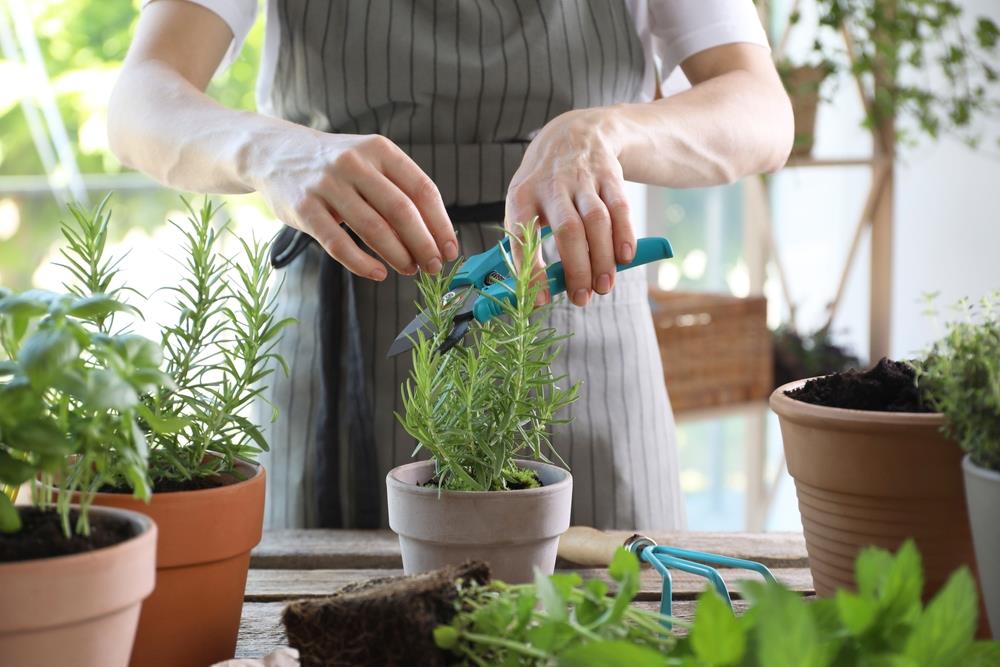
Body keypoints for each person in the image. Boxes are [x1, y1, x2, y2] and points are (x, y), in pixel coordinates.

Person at [109, 0, 792, 531]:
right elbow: (141, 97)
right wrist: (264, 147)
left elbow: (760, 109)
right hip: (343, 342)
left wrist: (611, 131)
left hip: (581, 331)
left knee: (608, 626)